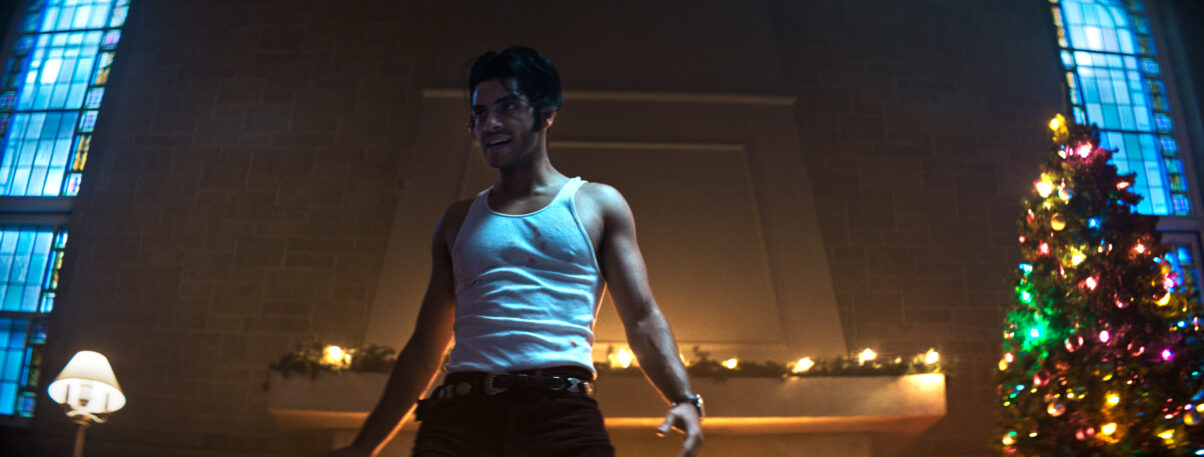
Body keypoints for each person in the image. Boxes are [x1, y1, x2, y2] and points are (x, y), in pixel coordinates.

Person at [328, 46, 703, 457]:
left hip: (562, 416)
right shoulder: (457, 221)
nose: (489, 123)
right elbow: (424, 347)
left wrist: (683, 397)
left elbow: (642, 317)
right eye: (479, 113)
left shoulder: (597, 204)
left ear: (546, 114)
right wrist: (363, 446)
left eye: (507, 107)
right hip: (459, 419)